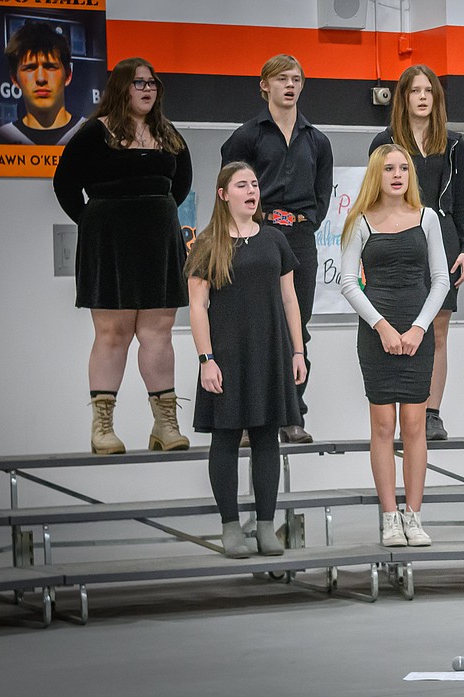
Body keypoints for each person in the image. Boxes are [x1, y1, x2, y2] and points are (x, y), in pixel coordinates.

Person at [53, 57, 192, 455]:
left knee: (158, 334)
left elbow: (180, 185)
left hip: (158, 243)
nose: (147, 89)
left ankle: (165, 425)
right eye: (138, 83)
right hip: (109, 243)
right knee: (113, 334)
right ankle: (103, 428)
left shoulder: (167, 133)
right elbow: (65, 184)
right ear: (120, 88)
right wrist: (94, 223)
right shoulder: (94, 133)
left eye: (152, 83)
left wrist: (153, 213)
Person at [186, 162, 306, 559]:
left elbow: (290, 299)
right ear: (224, 194)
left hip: (270, 352)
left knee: (266, 436)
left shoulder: (274, 239)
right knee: (225, 437)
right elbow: (198, 306)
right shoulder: (208, 243)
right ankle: (230, 527)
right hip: (227, 355)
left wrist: (298, 350)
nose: (252, 190)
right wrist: (207, 359)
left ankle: (267, 526)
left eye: (255, 183)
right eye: (242, 185)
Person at [340, 144, 449, 547]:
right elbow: (349, 282)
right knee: (384, 426)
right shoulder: (360, 221)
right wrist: (382, 326)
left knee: (416, 425)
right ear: (377, 174)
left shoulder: (428, 218)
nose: (398, 174)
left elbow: (440, 279)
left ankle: (414, 516)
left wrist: (419, 328)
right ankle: (389, 517)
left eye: (404, 168)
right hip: (377, 331)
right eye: (389, 168)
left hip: (416, 328)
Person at [222, 54, 333, 444]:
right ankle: (250, 418)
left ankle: (291, 414)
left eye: (297, 79)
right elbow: (232, 185)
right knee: (250, 325)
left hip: (300, 237)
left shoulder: (317, 140)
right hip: (257, 234)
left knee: (295, 327)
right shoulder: (247, 136)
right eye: (282, 78)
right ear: (264, 85)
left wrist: (305, 222)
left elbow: (322, 195)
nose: (290, 85)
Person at [368, 65, 464, 442]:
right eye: (416, 91)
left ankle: (431, 413)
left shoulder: (454, 142)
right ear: (404, 97)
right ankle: (399, 410)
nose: (423, 97)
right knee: (399, 322)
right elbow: (372, 198)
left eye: (429, 91)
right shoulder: (384, 141)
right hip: (399, 237)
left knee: (437, 330)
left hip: (443, 238)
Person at [0, 21, 86, 145]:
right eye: (30, 68)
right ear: (14, 79)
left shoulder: (89, 135)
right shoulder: (2, 137)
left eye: (50, 67)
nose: (41, 78)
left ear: (68, 75)